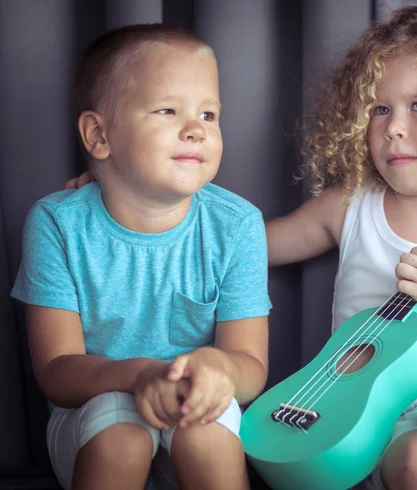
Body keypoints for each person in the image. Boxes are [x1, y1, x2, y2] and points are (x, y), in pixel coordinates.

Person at [65, 7, 417, 490]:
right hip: (382, 420)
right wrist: (124, 191)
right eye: (379, 108)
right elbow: (234, 246)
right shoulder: (350, 208)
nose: (394, 126)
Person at [14, 24, 270, 490]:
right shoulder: (56, 223)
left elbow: (250, 367)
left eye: (209, 115)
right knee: (125, 438)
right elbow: (56, 371)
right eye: (168, 110)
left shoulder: (238, 224)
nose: (195, 129)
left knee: (205, 435)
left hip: (198, 404)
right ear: (98, 134)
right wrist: (141, 376)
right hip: (95, 412)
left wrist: (215, 369)